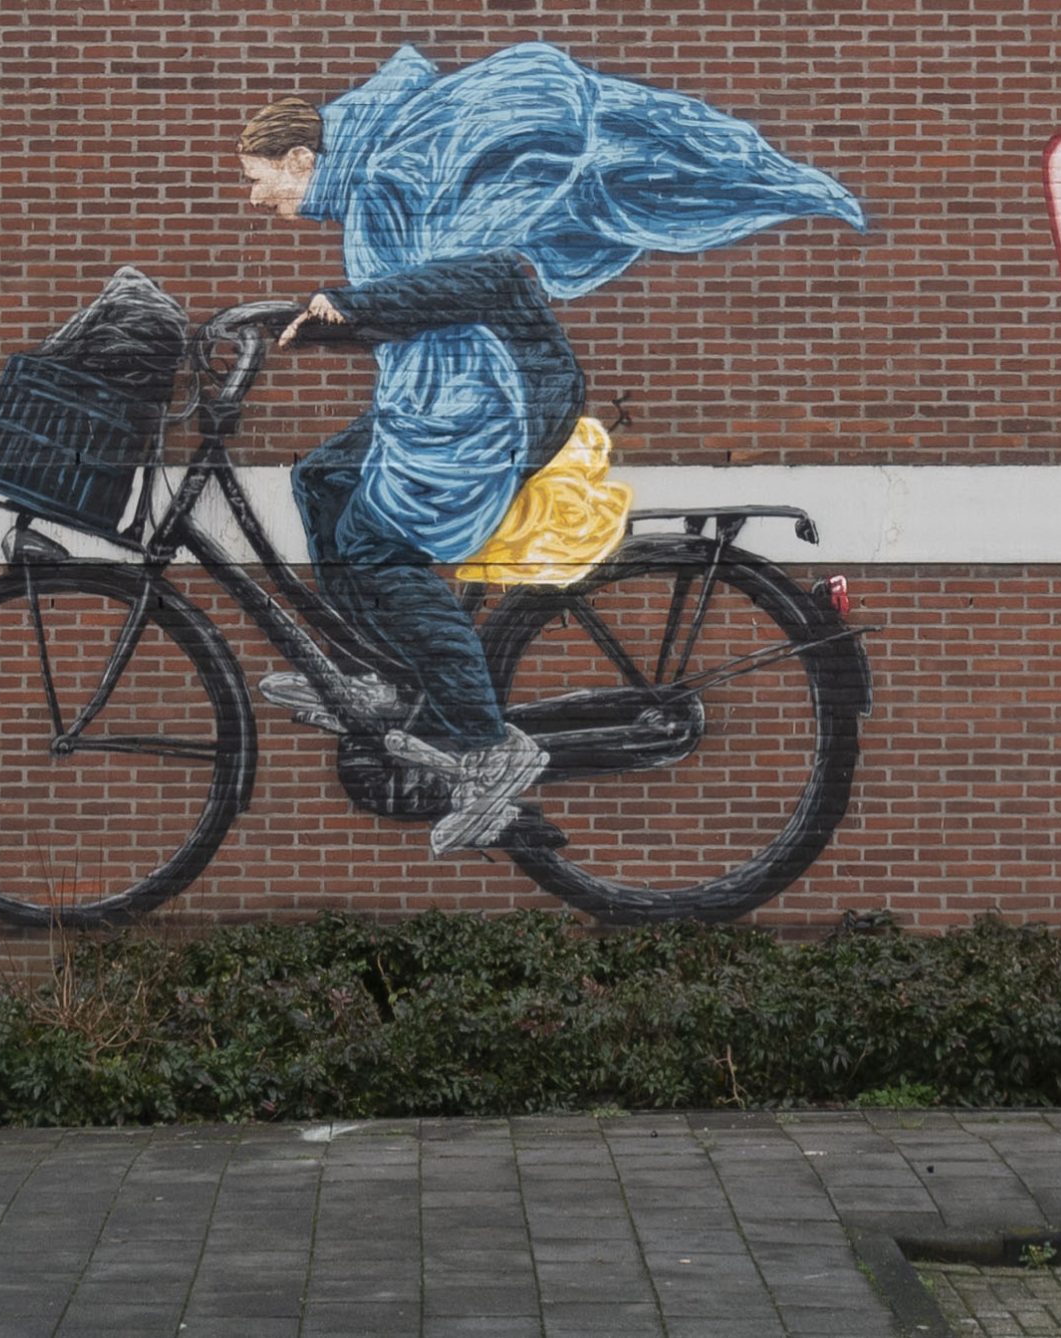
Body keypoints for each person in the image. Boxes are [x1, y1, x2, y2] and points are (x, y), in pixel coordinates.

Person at [238, 43, 866, 855]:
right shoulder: (374, 182)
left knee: (375, 545)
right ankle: (392, 677)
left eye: (260, 178)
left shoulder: (392, 177)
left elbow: (498, 281)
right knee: (324, 478)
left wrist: (354, 306)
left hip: (506, 387)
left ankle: (486, 743)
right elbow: (419, 301)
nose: (256, 198)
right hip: (461, 378)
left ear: (301, 158)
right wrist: (330, 318)